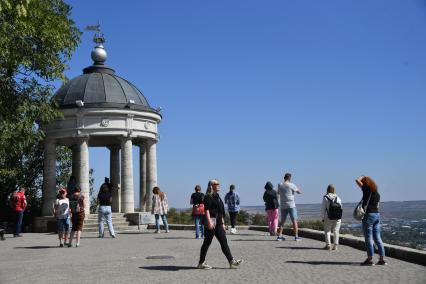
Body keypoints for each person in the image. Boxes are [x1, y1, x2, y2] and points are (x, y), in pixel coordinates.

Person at [197, 179, 243, 269]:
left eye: (219, 184)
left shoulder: (217, 196)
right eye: (216, 184)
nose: (219, 185)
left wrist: (222, 223)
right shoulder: (208, 196)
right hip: (211, 223)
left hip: (218, 223)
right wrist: (209, 222)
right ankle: (201, 263)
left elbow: (220, 211)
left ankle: (231, 261)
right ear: (211, 186)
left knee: (224, 241)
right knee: (207, 242)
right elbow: (206, 210)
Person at [356, 175, 387, 266]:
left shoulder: (367, 189)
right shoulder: (377, 193)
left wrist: (363, 176)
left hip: (368, 215)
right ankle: (382, 259)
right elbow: (377, 206)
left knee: (368, 238)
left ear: (366, 183)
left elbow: (357, 180)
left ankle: (370, 259)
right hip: (377, 215)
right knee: (377, 237)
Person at [276, 173, 302, 241]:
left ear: (284, 178)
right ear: (289, 178)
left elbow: (278, 193)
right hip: (291, 205)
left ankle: (279, 236)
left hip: (283, 205)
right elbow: (299, 192)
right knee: (294, 221)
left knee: (282, 222)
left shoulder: (280, 185)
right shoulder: (292, 185)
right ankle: (296, 237)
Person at [321, 184, 342, 250]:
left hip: (328, 216)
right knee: (336, 231)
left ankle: (328, 245)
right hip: (337, 217)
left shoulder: (325, 197)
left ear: (327, 189)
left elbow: (323, 209)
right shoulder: (338, 197)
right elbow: (341, 207)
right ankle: (335, 246)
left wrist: (322, 217)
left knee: (327, 231)